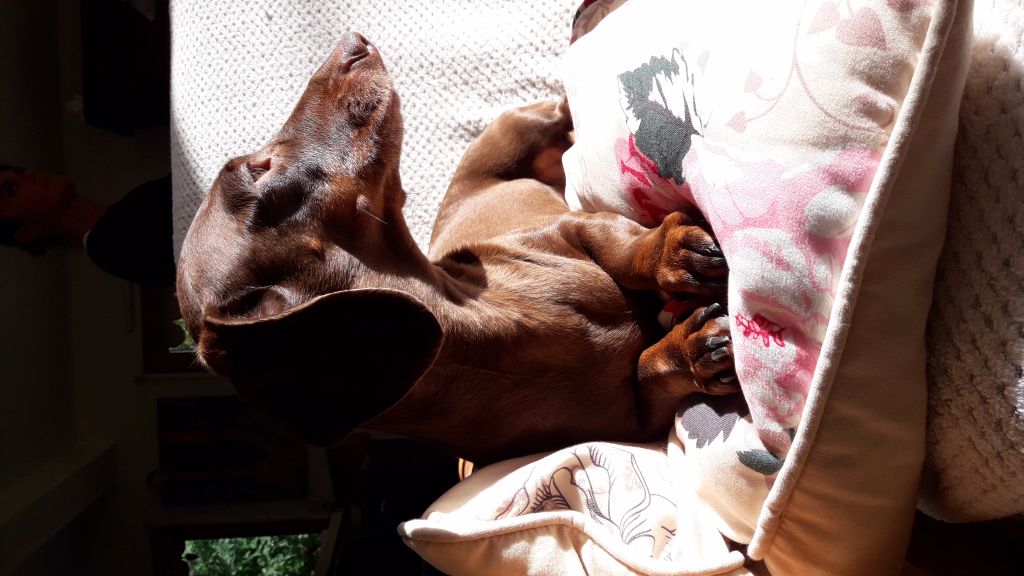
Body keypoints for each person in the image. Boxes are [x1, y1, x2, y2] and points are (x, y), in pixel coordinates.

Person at [0, 163, 175, 286]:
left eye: (19, 171)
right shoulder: (108, 245)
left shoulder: (124, 210)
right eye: (12, 190)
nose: (28, 175)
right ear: (28, 231)